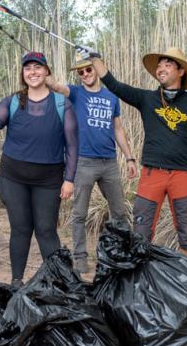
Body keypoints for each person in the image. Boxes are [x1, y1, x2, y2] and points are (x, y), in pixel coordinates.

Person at [79, 46, 187, 261]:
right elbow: (114, 85)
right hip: (152, 175)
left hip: (183, 177)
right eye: (159, 65)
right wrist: (95, 59)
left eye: (167, 64)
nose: (161, 68)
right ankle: (138, 288)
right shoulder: (146, 99)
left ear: (181, 71)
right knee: (141, 235)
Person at [0, 51, 78, 287]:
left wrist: (69, 179)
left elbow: (72, 145)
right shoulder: (13, 101)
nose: (33, 72)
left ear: (46, 71)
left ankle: (59, 281)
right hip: (13, 177)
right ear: (22, 73)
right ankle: (16, 281)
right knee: (20, 229)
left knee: (46, 230)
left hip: (49, 179)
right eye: (28, 68)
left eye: (38, 67)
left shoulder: (62, 104)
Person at [45, 55, 137, 273]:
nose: (85, 74)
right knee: (79, 214)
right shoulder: (76, 93)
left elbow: (117, 129)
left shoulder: (111, 96)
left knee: (120, 213)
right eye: (81, 72)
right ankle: (80, 259)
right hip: (84, 162)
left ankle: (118, 255)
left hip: (110, 163)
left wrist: (130, 157)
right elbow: (55, 85)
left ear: (96, 70)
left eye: (88, 70)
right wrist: (42, 69)